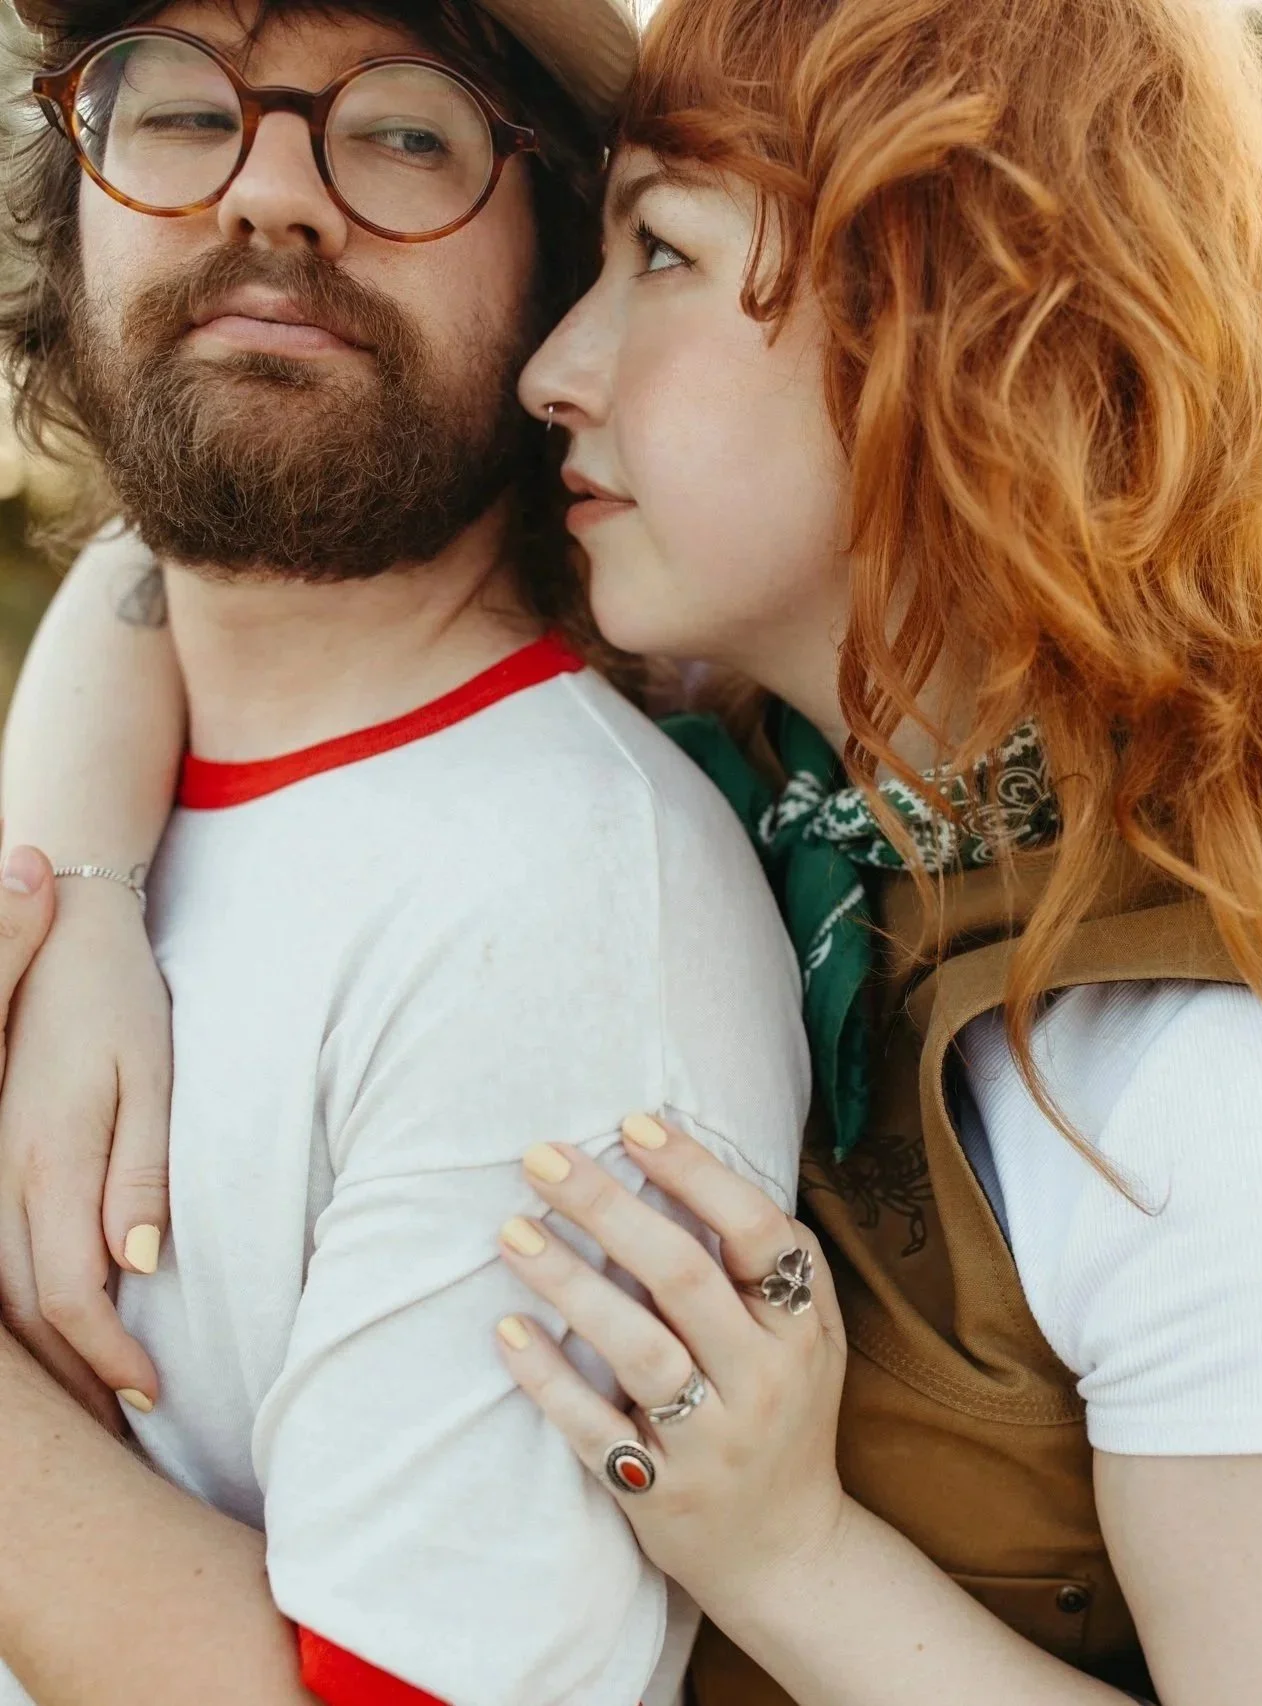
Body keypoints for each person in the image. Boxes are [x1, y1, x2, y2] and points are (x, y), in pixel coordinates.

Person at [4, 0, 1262, 1702]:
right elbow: (172, 560)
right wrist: (81, 897)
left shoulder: (1209, 1087)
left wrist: (792, 1559)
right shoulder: (780, 749)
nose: (552, 367)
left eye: (660, 251)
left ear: (951, 326)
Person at [0, 2, 810, 1704]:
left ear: (555, 268)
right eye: (178, 111)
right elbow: (135, 562)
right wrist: (81, 891)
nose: (269, 192)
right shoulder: (112, 787)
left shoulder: (562, 904)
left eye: (402, 135)